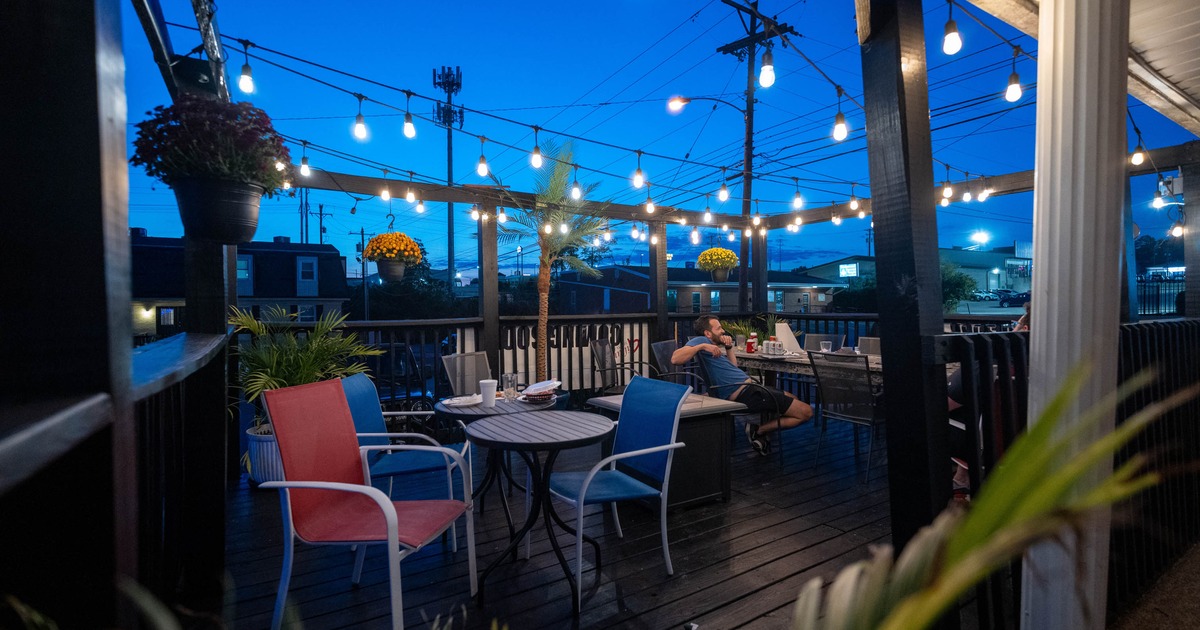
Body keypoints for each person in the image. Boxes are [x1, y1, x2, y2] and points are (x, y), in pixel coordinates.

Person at [671, 314, 814, 456]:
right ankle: (759, 430)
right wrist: (701, 345)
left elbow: (733, 367)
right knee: (806, 412)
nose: (723, 331)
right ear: (708, 333)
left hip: (750, 390)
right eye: (719, 328)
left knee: (792, 397)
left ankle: (760, 432)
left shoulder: (713, 347)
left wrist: (728, 347)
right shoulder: (701, 341)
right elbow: (675, 358)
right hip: (747, 394)